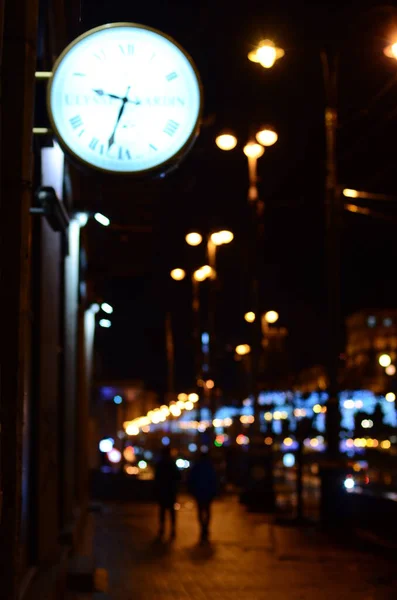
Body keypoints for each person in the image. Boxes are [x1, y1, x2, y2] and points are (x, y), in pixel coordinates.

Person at [188, 450, 218, 542]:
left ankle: (203, 527)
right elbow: (214, 480)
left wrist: (192, 490)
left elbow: (191, 479)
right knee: (207, 510)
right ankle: (205, 527)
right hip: (208, 492)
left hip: (199, 492)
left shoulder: (196, 467)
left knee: (201, 511)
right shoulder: (210, 467)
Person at [153, 446, 180, 539]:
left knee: (162, 511)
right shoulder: (172, 464)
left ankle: (162, 528)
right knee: (171, 511)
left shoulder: (160, 464)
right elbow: (178, 476)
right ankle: (172, 529)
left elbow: (156, 478)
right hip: (171, 490)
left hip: (163, 490)